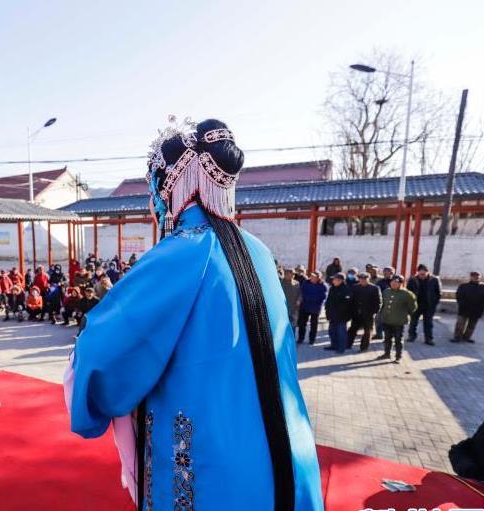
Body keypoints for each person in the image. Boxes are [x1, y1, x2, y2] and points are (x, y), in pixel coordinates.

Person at [67, 119, 322, 509]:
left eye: (154, 190)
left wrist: (87, 381)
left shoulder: (182, 252)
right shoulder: (258, 251)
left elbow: (106, 349)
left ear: (171, 187)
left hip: (213, 457)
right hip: (283, 442)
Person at [377, 275, 417, 363]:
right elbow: (383, 304)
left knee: (398, 339)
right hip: (387, 319)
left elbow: (413, 307)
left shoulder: (407, 294)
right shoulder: (386, 291)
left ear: (401, 284)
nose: (394, 283)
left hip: (399, 321)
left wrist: (404, 314)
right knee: (387, 338)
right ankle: (387, 353)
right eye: (392, 282)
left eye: (396, 282)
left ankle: (398, 357)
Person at [407, 264, 442, 345]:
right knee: (413, 321)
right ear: (418, 272)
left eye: (423, 274)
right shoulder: (413, 280)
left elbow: (439, 293)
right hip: (416, 304)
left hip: (429, 305)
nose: (422, 276)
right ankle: (411, 336)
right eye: (420, 274)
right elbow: (408, 292)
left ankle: (428, 338)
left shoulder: (434, 279)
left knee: (428, 323)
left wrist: (434, 303)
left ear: (427, 272)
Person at [346, 273, 382, 352]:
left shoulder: (374, 288)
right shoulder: (355, 287)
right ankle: (347, 344)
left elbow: (378, 302)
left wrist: (374, 311)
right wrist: (350, 311)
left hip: (368, 313)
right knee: (352, 329)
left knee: (367, 331)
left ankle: (364, 347)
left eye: (364, 279)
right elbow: (351, 300)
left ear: (368, 279)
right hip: (356, 313)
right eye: (361, 279)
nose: (362, 280)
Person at [325, 273, 353, 353]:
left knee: (341, 332)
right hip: (332, 314)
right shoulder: (332, 288)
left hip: (342, 315)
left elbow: (346, 304)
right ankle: (334, 345)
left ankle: (341, 348)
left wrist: (338, 312)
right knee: (332, 331)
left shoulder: (346, 289)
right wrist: (328, 311)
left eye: (335, 279)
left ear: (340, 280)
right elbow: (329, 301)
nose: (333, 281)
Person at [297, 271, 328, 345]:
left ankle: (312, 339)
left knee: (313, 325)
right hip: (305, 306)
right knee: (302, 324)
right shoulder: (305, 283)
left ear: (318, 278)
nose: (312, 278)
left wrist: (313, 300)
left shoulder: (322, 285)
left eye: (314, 277)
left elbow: (323, 297)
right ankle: (301, 338)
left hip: (315, 307)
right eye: (312, 276)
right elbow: (302, 292)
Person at [453, 271, 484, 343]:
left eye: (477, 277)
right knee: (460, 324)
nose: (476, 278)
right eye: (474, 276)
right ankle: (457, 337)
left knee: (471, 326)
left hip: (477, 310)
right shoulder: (464, 286)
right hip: (464, 309)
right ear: (471, 277)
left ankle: (467, 337)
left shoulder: (482, 287)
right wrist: (461, 304)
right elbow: (458, 296)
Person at [373, 266, 395, 340]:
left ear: (392, 273)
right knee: (378, 320)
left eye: (387, 272)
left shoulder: (395, 282)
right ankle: (379, 334)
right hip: (381, 303)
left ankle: (390, 335)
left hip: (392, 304)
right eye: (384, 272)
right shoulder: (380, 282)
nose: (385, 273)